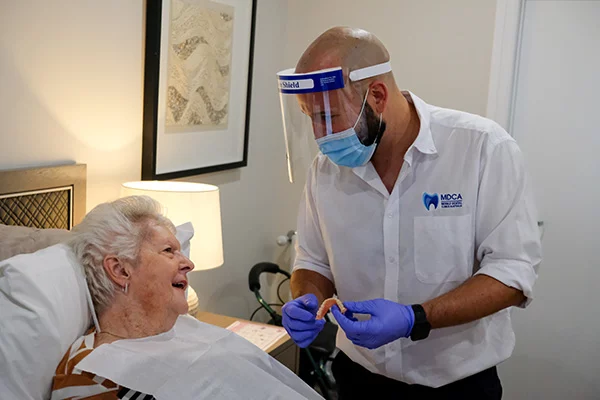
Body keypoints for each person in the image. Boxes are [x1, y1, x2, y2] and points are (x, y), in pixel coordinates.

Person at [279, 27, 542, 399]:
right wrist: (306, 299)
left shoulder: (482, 149)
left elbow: (513, 273)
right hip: (359, 379)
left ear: (378, 95)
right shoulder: (325, 171)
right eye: (310, 118)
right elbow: (312, 263)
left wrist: (413, 319)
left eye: (329, 116)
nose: (320, 135)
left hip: (457, 386)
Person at [51, 196, 322, 400]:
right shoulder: (92, 371)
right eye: (169, 250)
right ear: (121, 270)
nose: (189, 263)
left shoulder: (184, 330)